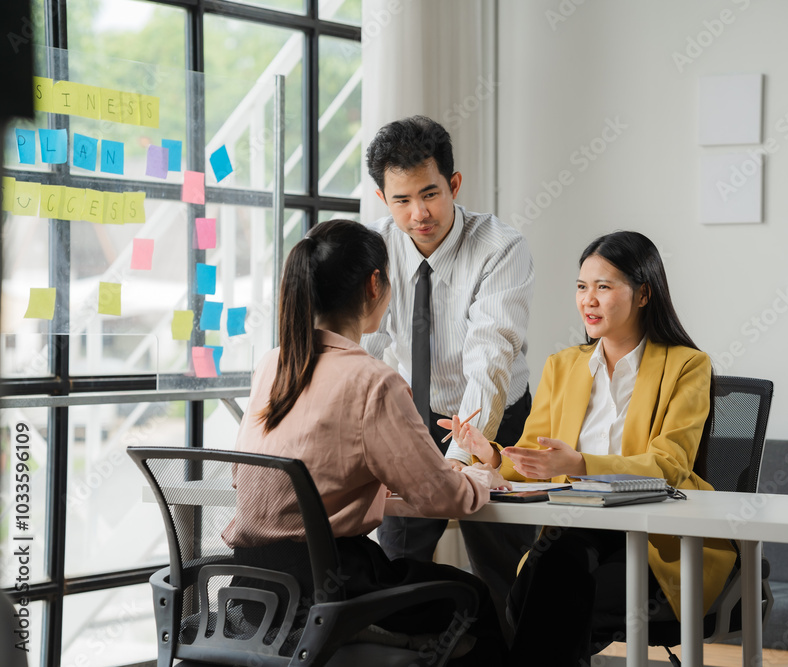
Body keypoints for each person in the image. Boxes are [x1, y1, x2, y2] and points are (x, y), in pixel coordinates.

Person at [221, 220, 509, 665]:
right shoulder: (373, 380)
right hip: (334, 589)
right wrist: (479, 476)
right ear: (375, 284)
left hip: (252, 589)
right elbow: (440, 495)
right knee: (477, 599)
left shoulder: (272, 365)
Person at [448, 230, 739, 665]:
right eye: (582, 287)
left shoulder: (686, 365)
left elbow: (670, 465)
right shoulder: (563, 366)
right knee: (548, 585)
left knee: (546, 597)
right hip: (576, 532)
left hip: (656, 541)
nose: (589, 300)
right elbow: (533, 456)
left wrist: (580, 463)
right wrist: (489, 454)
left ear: (643, 295)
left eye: (604, 287)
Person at [361, 115, 539, 633]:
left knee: (505, 565)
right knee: (398, 567)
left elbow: (491, 356)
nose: (419, 214)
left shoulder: (500, 247)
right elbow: (361, 348)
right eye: (401, 200)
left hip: (496, 422)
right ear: (382, 198)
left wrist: (463, 457)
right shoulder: (375, 250)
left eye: (430, 193)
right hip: (412, 419)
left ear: (454, 185)